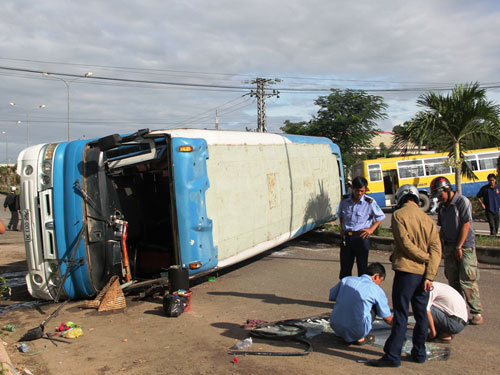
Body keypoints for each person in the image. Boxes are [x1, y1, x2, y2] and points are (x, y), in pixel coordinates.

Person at [366, 184, 441, 367]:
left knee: (400, 314)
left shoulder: (399, 216)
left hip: (407, 272)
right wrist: (430, 275)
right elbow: (437, 249)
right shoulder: (428, 220)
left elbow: (405, 243)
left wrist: (422, 257)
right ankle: (419, 353)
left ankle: (393, 356)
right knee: (421, 314)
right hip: (423, 276)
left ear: (400, 198)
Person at [430, 176, 483, 325]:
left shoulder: (462, 202)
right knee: (453, 279)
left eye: (440, 195)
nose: (439, 198)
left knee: (467, 278)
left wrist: (459, 246)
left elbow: (466, 225)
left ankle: (476, 311)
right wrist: (438, 246)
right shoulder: (442, 207)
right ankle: (459, 311)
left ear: (447, 189)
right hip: (449, 245)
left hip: (464, 246)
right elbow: (442, 228)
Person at [329, 262, 393, 345]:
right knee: (374, 306)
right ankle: (360, 338)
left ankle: (344, 330)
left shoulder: (346, 280)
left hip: (335, 326)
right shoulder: (376, 289)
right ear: (376, 276)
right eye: (380, 281)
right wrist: (399, 326)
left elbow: (332, 296)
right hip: (358, 330)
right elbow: (387, 318)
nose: (379, 285)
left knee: (348, 300)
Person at [337, 176, 385, 279]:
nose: (359, 193)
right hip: (347, 238)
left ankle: (361, 292)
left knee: (362, 269)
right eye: (357, 191)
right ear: (352, 189)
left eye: (362, 191)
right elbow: (341, 215)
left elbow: (380, 216)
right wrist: (342, 228)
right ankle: (345, 291)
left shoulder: (369, 202)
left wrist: (371, 229)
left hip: (361, 238)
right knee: (345, 269)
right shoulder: (345, 201)